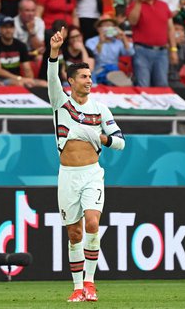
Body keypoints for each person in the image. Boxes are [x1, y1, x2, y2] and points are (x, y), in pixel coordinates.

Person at [47, 29, 125, 303]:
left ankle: (91, 283)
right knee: (74, 232)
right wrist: (54, 52)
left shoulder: (100, 109)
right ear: (70, 81)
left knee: (92, 223)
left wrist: (103, 138)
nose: (89, 80)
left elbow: (120, 142)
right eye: (83, 76)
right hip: (68, 175)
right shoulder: (60, 104)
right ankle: (77, 286)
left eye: (90, 76)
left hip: (92, 174)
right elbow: (51, 79)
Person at [127, 0, 178, 87]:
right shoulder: (134, 5)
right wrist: (139, 2)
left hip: (162, 52)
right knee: (142, 85)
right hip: (142, 51)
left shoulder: (164, 5)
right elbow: (132, 21)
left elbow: (170, 29)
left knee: (162, 85)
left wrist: (173, 49)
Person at [0, 16, 44, 87]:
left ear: (14, 29)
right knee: (20, 84)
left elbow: (27, 69)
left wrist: (30, 80)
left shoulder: (21, 45)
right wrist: (19, 78)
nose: (8, 30)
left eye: (11, 27)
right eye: (5, 27)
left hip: (18, 79)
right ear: (0, 29)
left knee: (44, 84)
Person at [85, 17, 134, 85]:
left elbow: (130, 52)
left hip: (114, 72)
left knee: (116, 74)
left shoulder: (118, 42)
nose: (109, 28)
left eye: (111, 26)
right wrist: (101, 42)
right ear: (99, 29)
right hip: (97, 72)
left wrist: (123, 37)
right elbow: (93, 56)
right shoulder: (91, 41)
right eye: (106, 25)